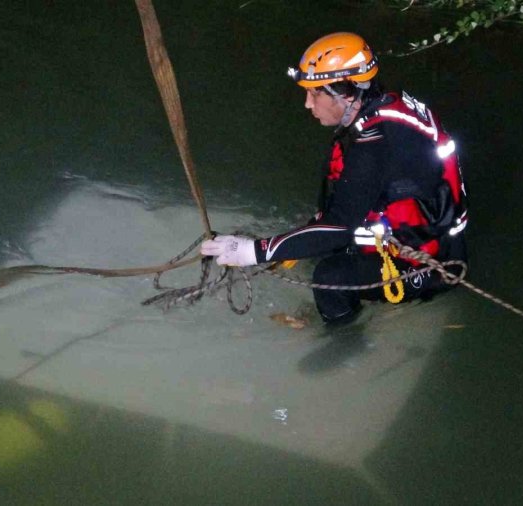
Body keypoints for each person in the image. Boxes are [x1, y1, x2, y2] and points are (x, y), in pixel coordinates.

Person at [200, 32, 469, 324]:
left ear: (347, 94)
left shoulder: (377, 143)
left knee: (330, 278)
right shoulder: (380, 111)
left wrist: (253, 251)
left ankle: (344, 336)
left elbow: (338, 228)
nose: (307, 104)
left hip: (431, 265)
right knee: (312, 242)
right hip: (412, 233)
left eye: (315, 94)